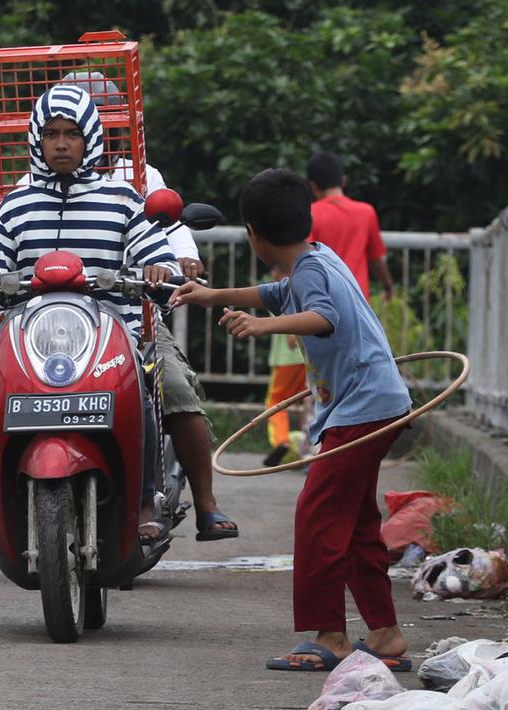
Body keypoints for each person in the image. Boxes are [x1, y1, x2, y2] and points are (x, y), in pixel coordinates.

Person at [0, 84, 237, 552]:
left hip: (115, 335)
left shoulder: (124, 199)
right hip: (35, 343)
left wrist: (157, 269)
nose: (62, 143)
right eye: (51, 134)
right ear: (36, 140)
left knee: (161, 388)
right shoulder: (15, 204)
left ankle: (157, 502)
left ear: (91, 137)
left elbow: (157, 256)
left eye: (72, 133)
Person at [171, 168, 413, 673]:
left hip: (363, 411)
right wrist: (210, 295)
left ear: (253, 234)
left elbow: (324, 317)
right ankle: (385, 633)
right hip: (375, 406)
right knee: (357, 523)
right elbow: (275, 294)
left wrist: (261, 328)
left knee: (318, 514)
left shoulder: (309, 273)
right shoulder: (314, 257)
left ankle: (330, 636)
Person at [305, 152, 394, 301]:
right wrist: (388, 285)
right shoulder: (366, 212)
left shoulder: (309, 214)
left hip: (321, 302)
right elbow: (377, 259)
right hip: (357, 301)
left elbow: (303, 257)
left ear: (313, 186)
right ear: (343, 181)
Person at [261, 262, 307, 469]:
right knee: (308, 402)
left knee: (275, 402)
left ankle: (282, 441)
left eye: (275, 269)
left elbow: (290, 328)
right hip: (308, 358)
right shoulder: (306, 288)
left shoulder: (281, 292)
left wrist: (291, 333)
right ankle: (308, 444)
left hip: (288, 359)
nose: (272, 272)